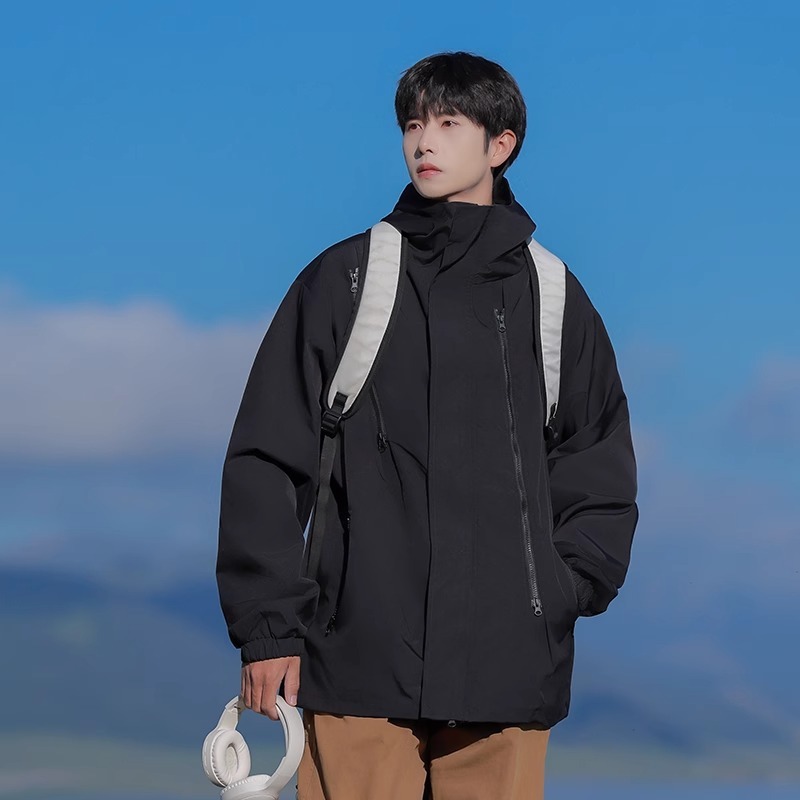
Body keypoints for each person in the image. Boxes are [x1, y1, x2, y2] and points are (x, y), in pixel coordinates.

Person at [215, 51, 639, 800]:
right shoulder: (346, 280)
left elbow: (596, 461)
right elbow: (267, 460)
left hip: (509, 672)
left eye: (448, 123)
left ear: (501, 145)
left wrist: (558, 591)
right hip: (357, 664)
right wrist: (268, 629)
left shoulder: (555, 298)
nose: (424, 142)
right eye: (412, 125)